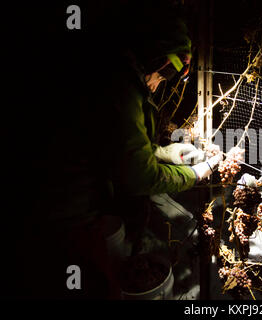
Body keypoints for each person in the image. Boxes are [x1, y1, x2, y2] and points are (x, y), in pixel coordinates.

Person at [13, 0, 221, 299]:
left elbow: (119, 146)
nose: (162, 83)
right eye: (168, 73)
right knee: (95, 281)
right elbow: (137, 175)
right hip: (68, 215)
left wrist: (165, 154)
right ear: (155, 58)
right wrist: (195, 173)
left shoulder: (115, 75)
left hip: (75, 206)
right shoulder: (119, 89)